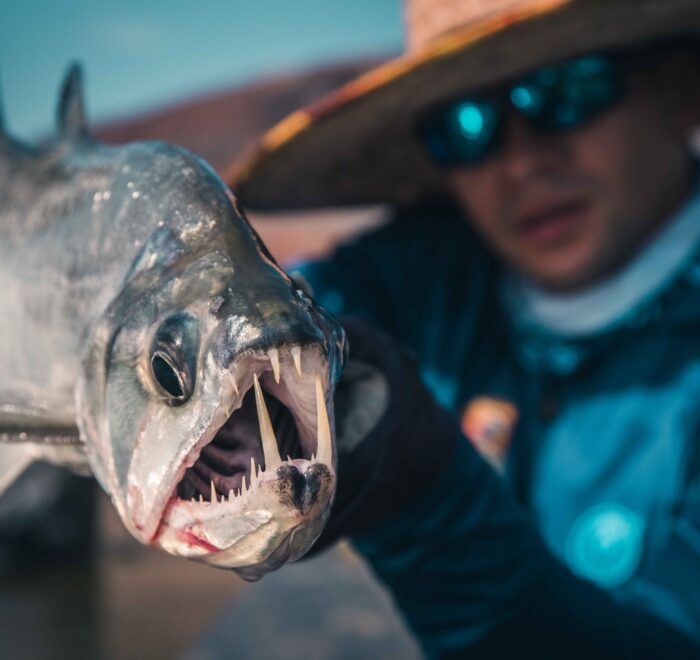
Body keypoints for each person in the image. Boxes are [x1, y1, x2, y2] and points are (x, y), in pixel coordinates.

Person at [231, 0, 700, 657]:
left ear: (679, 88)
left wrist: (425, 500)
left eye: (565, 91)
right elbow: (285, 302)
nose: (521, 162)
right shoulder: (427, 274)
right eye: (465, 126)